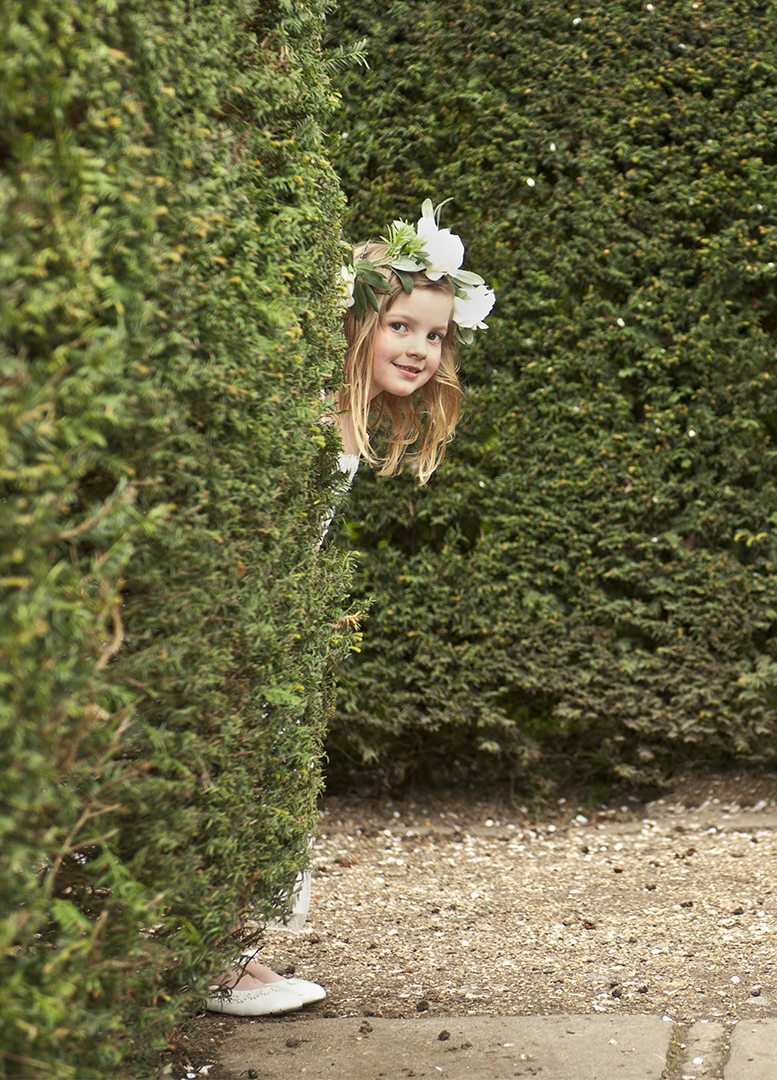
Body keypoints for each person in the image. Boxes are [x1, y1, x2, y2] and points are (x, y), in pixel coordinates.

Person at [205, 200, 495, 1017]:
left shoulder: (350, 417)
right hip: (241, 612)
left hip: (271, 612)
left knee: (256, 770)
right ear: (357, 324)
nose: (421, 349)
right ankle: (207, 957)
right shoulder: (308, 410)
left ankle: (224, 952)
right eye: (402, 326)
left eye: (436, 336)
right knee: (230, 771)